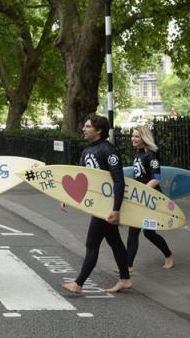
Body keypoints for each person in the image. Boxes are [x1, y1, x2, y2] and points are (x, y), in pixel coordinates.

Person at [60, 114, 132, 295]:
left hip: (106, 207)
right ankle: (125, 279)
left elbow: (119, 181)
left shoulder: (109, 150)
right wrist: (67, 197)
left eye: (87, 126)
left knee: (92, 243)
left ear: (98, 130)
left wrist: (116, 209)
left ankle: (78, 284)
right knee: (115, 242)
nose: (83, 129)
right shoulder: (87, 152)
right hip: (97, 206)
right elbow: (82, 180)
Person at [126, 125, 174, 272]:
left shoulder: (151, 155)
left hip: (151, 198)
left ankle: (168, 254)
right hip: (139, 197)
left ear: (144, 138)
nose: (133, 139)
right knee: (133, 231)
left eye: (136, 136)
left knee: (149, 233)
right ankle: (128, 266)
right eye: (133, 136)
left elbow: (157, 178)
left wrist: (143, 191)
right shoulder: (138, 153)